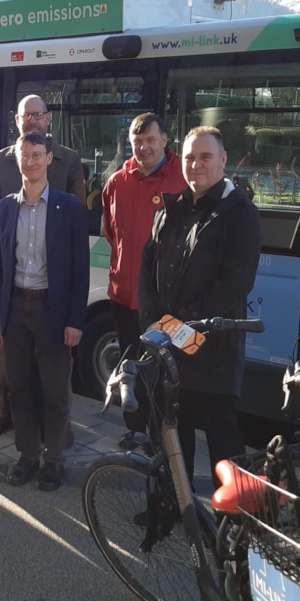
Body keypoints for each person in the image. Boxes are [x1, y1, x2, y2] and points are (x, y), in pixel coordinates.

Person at [138, 126, 261, 483]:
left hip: (211, 350)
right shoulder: (170, 207)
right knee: (169, 435)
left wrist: (178, 324)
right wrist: (151, 319)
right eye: (190, 157)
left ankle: (233, 524)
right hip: (166, 349)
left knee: (223, 442)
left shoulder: (240, 213)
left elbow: (236, 283)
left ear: (222, 160)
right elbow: (147, 265)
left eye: (205, 157)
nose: (196, 165)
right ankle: (171, 507)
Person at [0, 94, 87, 442]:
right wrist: (6, 240)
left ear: (48, 120)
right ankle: (2, 416)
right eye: (27, 115)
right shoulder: (1, 160)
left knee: (54, 375)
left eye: (39, 114)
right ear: (17, 119)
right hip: (13, 280)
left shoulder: (69, 160)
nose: (33, 120)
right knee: (9, 369)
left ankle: (57, 430)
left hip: (49, 289)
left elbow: (76, 223)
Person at [101, 113, 187, 449]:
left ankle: (162, 433)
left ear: (165, 141)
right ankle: (135, 429)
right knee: (130, 366)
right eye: (138, 142)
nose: (144, 148)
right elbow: (110, 232)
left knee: (166, 371)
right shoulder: (116, 182)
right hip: (125, 296)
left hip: (166, 299)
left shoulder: (183, 180)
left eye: (151, 140)